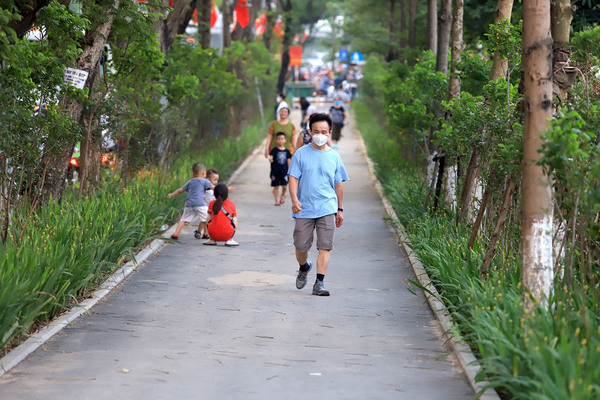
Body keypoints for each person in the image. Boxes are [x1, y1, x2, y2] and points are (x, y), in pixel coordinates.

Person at [288, 113, 349, 296]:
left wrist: (339, 210)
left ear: (329, 133)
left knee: (325, 246)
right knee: (300, 246)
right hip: (304, 207)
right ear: (310, 132)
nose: (320, 134)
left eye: (323, 131)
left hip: (327, 207)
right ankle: (303, 266)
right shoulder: (301, 153)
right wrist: (294, 200)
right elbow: (292, 178)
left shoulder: (334, 157)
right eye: (316, 131)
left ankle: (319, 283)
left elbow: (338, 185)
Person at [167, 163, 214, 240]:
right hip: (200, 204)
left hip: (189, 204)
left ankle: (175, 234)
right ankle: (209, 235)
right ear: (203, 172)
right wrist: (225, 189)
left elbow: (180, 190)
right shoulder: (204, 181)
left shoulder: (190, 181)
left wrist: (172, 195)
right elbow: (214, 188)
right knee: (208, 218)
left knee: (183, 219)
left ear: (193, 173)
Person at [268, 132, 292, 206]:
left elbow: (289, 161)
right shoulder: (274, 150)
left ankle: (282, 195)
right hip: (275, 172)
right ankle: (277, 200)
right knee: (276, 186)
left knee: (284, 186)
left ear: (285, 140)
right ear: (276, 140)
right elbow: (271, 157)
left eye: (282, 139)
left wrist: (290, 171)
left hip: (284, 172)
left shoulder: (287, 151)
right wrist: (270, 159)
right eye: (278, 139)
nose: (280, 141)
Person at [201, 168, 220, 239]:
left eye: (217, 180)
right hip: (205, 207)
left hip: (211, 208)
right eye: (214, 180)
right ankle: (205, 233)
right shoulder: (205, 189)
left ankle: (199, 232)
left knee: (206, 221)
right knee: (206, 220)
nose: (216, 182)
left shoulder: (213, 189)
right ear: (207, 179)